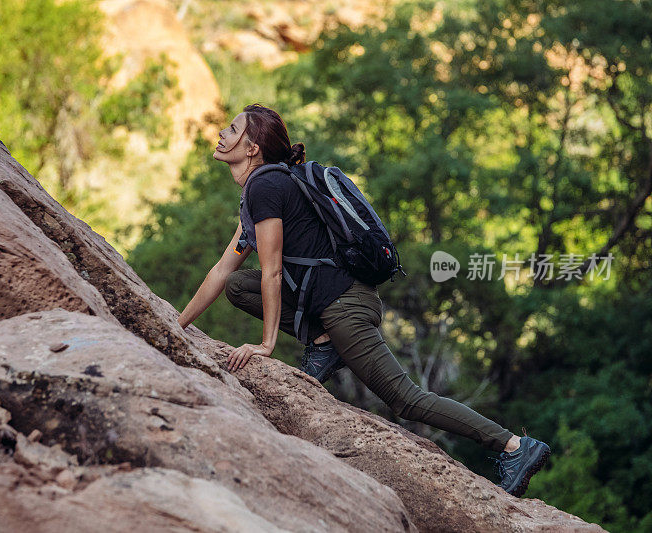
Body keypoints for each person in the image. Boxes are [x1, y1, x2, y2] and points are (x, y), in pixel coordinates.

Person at [175, 103, 550, 497]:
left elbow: (271, 271)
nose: (222, 133)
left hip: (346, 307)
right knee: (238, 287)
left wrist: (266, 345)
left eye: (232, 129)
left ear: (251, 148)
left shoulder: (267, 186)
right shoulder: (266, 188)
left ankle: (514, 446)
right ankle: (322, 342)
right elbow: (223, 271)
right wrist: (176, 324)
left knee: (406, 399)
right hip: (335, 304)